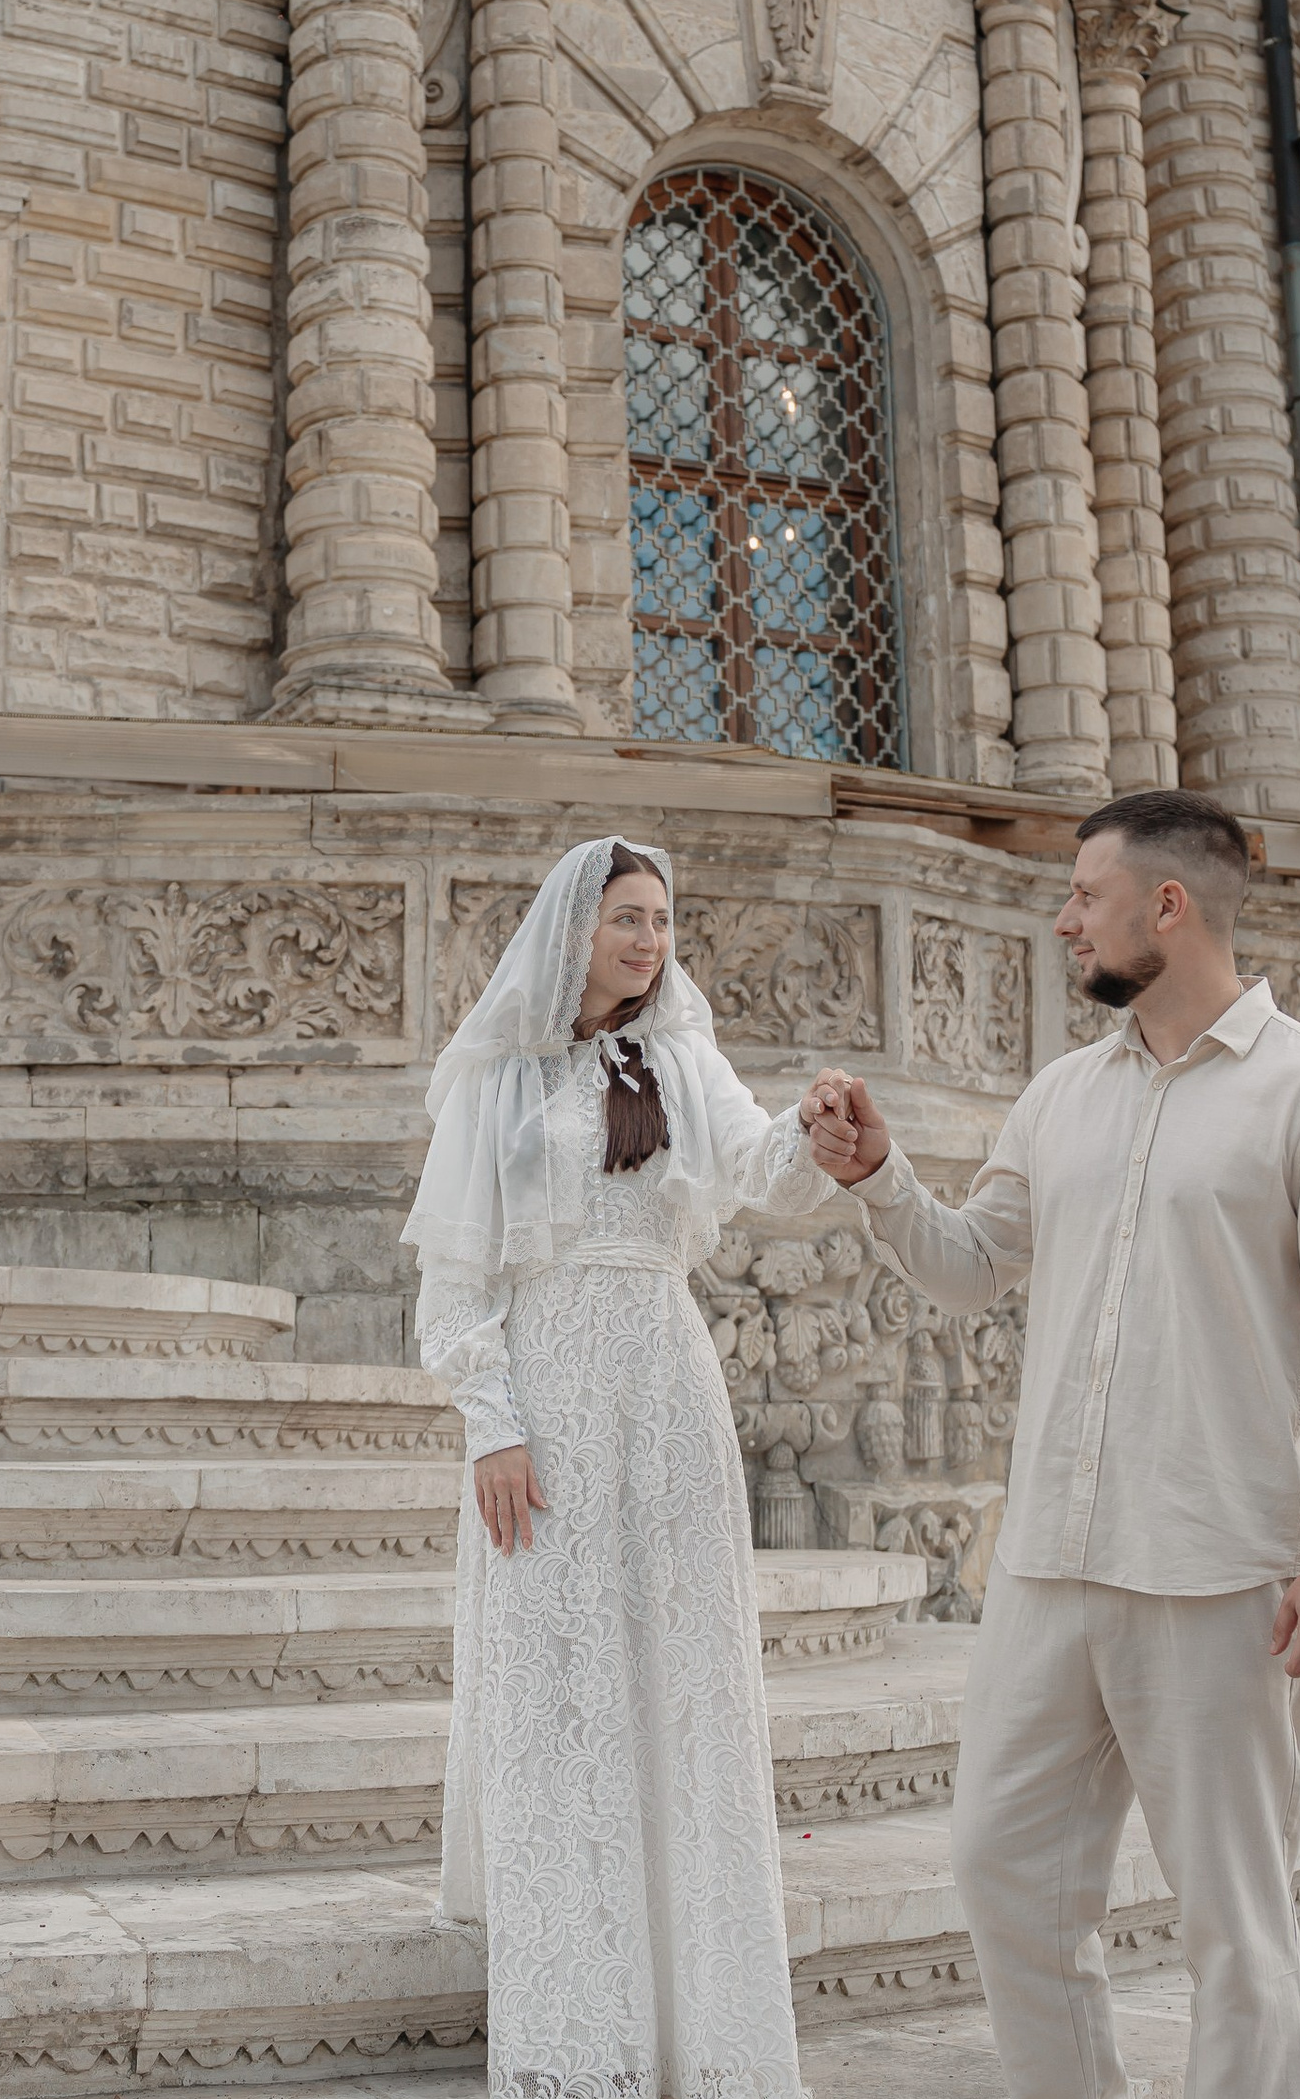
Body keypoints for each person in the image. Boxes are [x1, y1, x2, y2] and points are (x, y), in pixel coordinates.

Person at [802, 788, 1300, 2099]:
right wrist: (879, 1177)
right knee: (1004, 1871)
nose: (1063, 919)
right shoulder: (1062, 1096)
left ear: (1168, 905)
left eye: (1084, 896)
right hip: (1051, 1564)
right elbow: (973, 1266)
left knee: (1234, 1929)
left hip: (1220, 1568)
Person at [408, 834, 836, 2099]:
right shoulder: (500, 1073)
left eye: (660, 919)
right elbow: (454, 1269)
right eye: (627, 920)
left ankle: (708, 2027)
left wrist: (814, 1129)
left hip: (663, 1382)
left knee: (683, 1682)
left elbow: (761, 1170)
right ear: (571, 931)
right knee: (561, 1684)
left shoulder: (684, 1058)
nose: (649, 940)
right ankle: (576, 2034)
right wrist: (490, 1419)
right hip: (545, 1389)